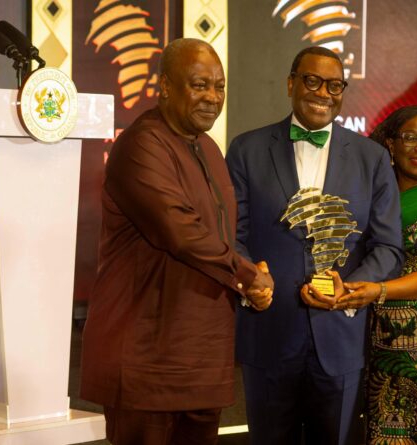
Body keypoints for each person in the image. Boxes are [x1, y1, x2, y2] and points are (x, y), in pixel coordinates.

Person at [79, 38, 274, 445]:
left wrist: (251, 276)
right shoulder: (142, 143)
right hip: (147, 356)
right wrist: (246, 275)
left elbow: (220, 236)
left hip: (203, 356)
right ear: (165, 86)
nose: (212, 97)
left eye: (219, 86)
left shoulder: (210, 149)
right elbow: (180, 231)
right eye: (199, 85)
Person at [226, 46, 404, 445]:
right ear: (291, 84)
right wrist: (251, 279)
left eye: (335, 85)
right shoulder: (246, 150)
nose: (324, 92)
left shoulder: (373, 158)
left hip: (342, 336)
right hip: (269, 331)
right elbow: (231, 235)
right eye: (312, 81)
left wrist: (351, 289)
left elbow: (388, 247)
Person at [305, 105, 417, 444]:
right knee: (382, 436)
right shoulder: (371, 199)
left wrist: (378, 290)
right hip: (380, 343)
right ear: (390, 143)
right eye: (411, 138)